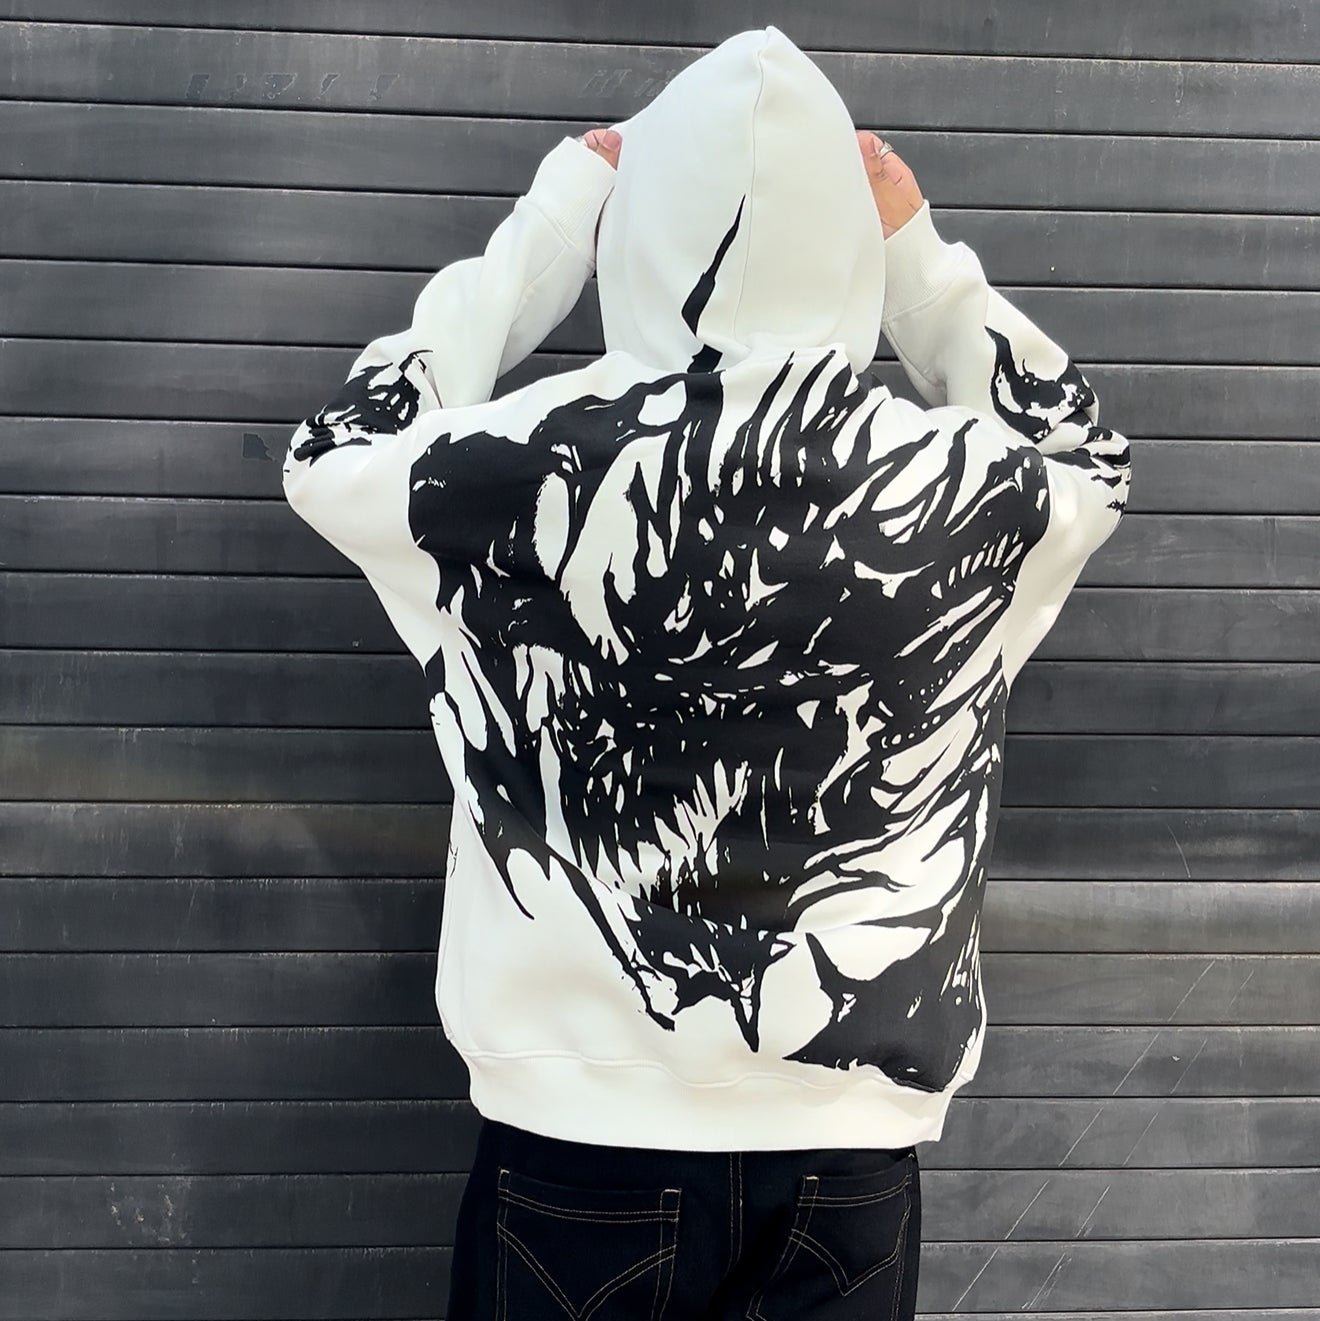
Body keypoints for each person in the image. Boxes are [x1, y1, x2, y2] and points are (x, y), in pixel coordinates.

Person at [281, 24, 1131, 1321]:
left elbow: (340, 443)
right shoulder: (965, 493)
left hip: (580, 1144)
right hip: (850, 1154)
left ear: (639, 241)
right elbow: (1088, 452)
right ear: (843, 253)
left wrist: (553, 222)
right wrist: (916, 257)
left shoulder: (514, 474)